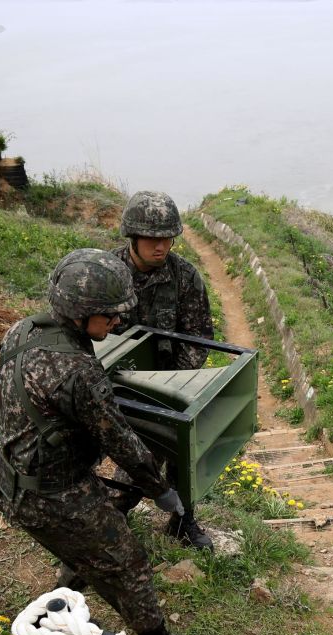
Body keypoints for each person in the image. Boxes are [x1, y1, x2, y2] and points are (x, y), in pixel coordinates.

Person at [0, 247, 206, 635]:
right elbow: (121, 442)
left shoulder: (24, 330)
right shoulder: (77, 372)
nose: (117, 321)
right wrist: (162, 492)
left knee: (96, 541)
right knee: (129, 563)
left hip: (13, 475)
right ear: (80, 312)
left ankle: (68, 589)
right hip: (52, 494)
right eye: (109, 315)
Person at [111, 190, 216, 550]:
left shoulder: (184, 277)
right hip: (115, 387)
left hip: (172, 387)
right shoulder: (107, 274)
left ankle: (184, 521)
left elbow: (199, 338)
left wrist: (173, 387)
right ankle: (113, 517)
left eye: (167, 238)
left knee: (184, 451)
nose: (161, 246)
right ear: (133, 237)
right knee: (134, 456)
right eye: (153, 239)